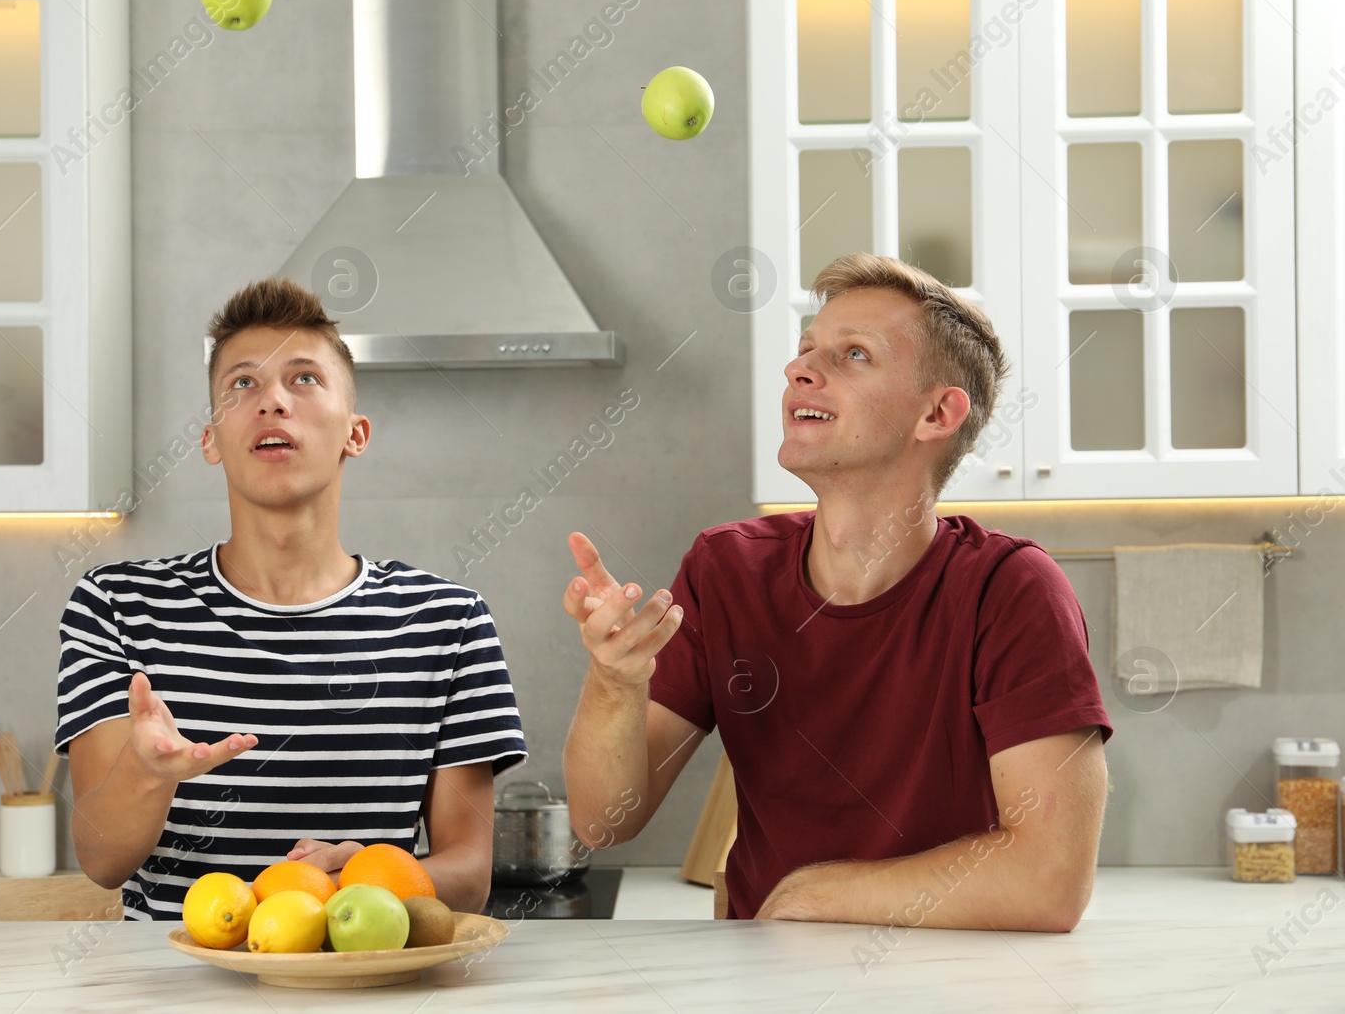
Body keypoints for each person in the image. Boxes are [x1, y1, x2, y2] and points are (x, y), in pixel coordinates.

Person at [560, 253, 1112, 928]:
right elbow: (601, 821)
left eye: (854, 354)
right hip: (770, 977)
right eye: (804, 350)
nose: (800, 369)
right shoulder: (725, 570)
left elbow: (1048, 881)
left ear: (937, 413)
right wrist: (614, 682)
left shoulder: (1012, 591)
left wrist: (809, 897)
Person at [56, 277, 527, 920]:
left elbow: (469, 875)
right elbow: (101, 861)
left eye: (304, 379)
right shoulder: (117, 605)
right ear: (211, 440)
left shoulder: (449, 623)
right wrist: (145, 773)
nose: (272, 400)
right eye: (242, 384)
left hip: (369, 986)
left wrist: (347, 886)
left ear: (355, 433)